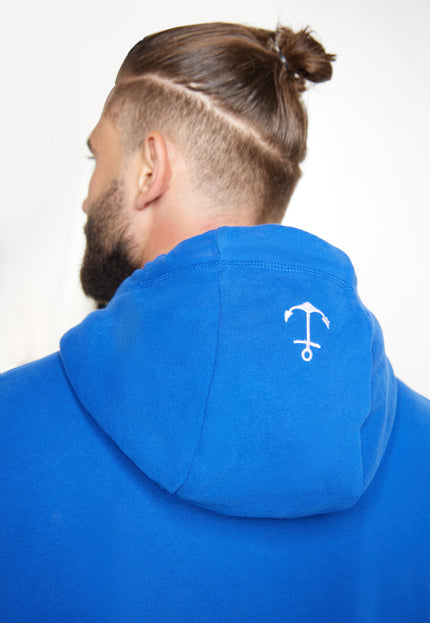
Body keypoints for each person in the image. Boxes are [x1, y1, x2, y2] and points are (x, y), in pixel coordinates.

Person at [1, 21, 429, 622]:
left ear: (149, 168)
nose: (86, 196)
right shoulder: (421, 451)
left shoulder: (11, 433)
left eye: (97, 156)